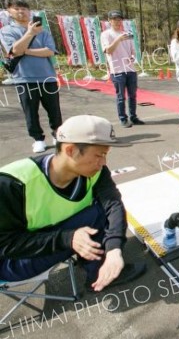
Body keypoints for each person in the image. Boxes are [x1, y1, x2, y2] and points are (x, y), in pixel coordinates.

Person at [0, 115, 146, 292]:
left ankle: (97, 267)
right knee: (96, 215)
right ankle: (98, 273)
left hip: (44, 237)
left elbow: (113, 204)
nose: (103, 162)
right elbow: (5, 245)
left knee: (102, 210)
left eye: (105, 155)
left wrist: (114, 248)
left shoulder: (96, 171)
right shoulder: (12, 183)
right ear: (70, 150)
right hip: (11, 261)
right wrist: (67, 238)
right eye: (99, 155)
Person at [0, 0, 63, 153]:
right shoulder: (7, 31)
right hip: (24, 78)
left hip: (47, 76)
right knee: (30, 111)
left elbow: (49, 51)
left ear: (30, 11)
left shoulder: (43, 31)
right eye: (17, 8)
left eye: (24, 8)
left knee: (54, 109)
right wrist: (29, 33)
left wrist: (26, 51)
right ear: (9, 11)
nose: (21, 11)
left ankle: (57, 134)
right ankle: (38, 139)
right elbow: (14, 50)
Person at [100, 10, 144, 128]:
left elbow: (133, 51)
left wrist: (132, 57)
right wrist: (119, 39)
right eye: (115, 19)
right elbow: (108, 50)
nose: (118, 21)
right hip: (117, 70)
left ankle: (133, 117)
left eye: (119, 19)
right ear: (109, 20)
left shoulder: (127, 34)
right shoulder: (106, 34)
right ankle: (123, 118)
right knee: (120, 96)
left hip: (130, 69)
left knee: (133, 95)